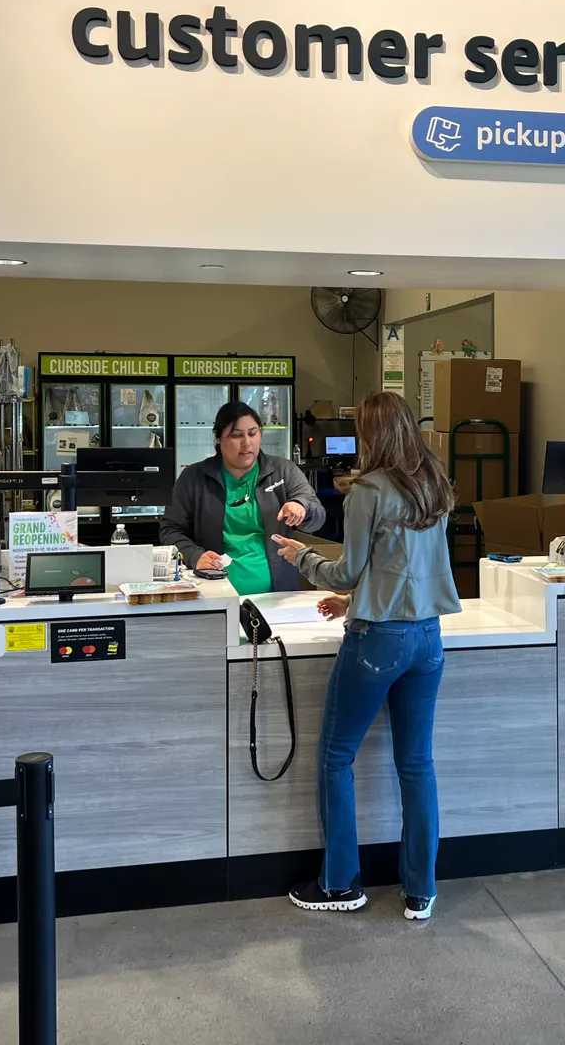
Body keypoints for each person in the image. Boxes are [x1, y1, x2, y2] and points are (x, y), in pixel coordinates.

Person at [272, 391, 460, 921]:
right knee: (417, 764)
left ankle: (340, 884)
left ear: (371, 435)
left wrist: (302, 555)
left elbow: (346, 569)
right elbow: (406, 567)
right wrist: (357, 598)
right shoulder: (433, 486)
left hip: (378, 641)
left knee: (336, 757)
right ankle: (420, 892)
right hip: (427, 639)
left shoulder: (368, 492)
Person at [161, 400, 324, 595]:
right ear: (218, 438)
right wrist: (196, 556)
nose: (247, 442)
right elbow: (170, 530)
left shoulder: (283, 471)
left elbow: (317, 517)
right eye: (236, 435)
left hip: (278, 594)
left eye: (253, 433)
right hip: (213, 594)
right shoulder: (194, 478)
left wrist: (301, 506)